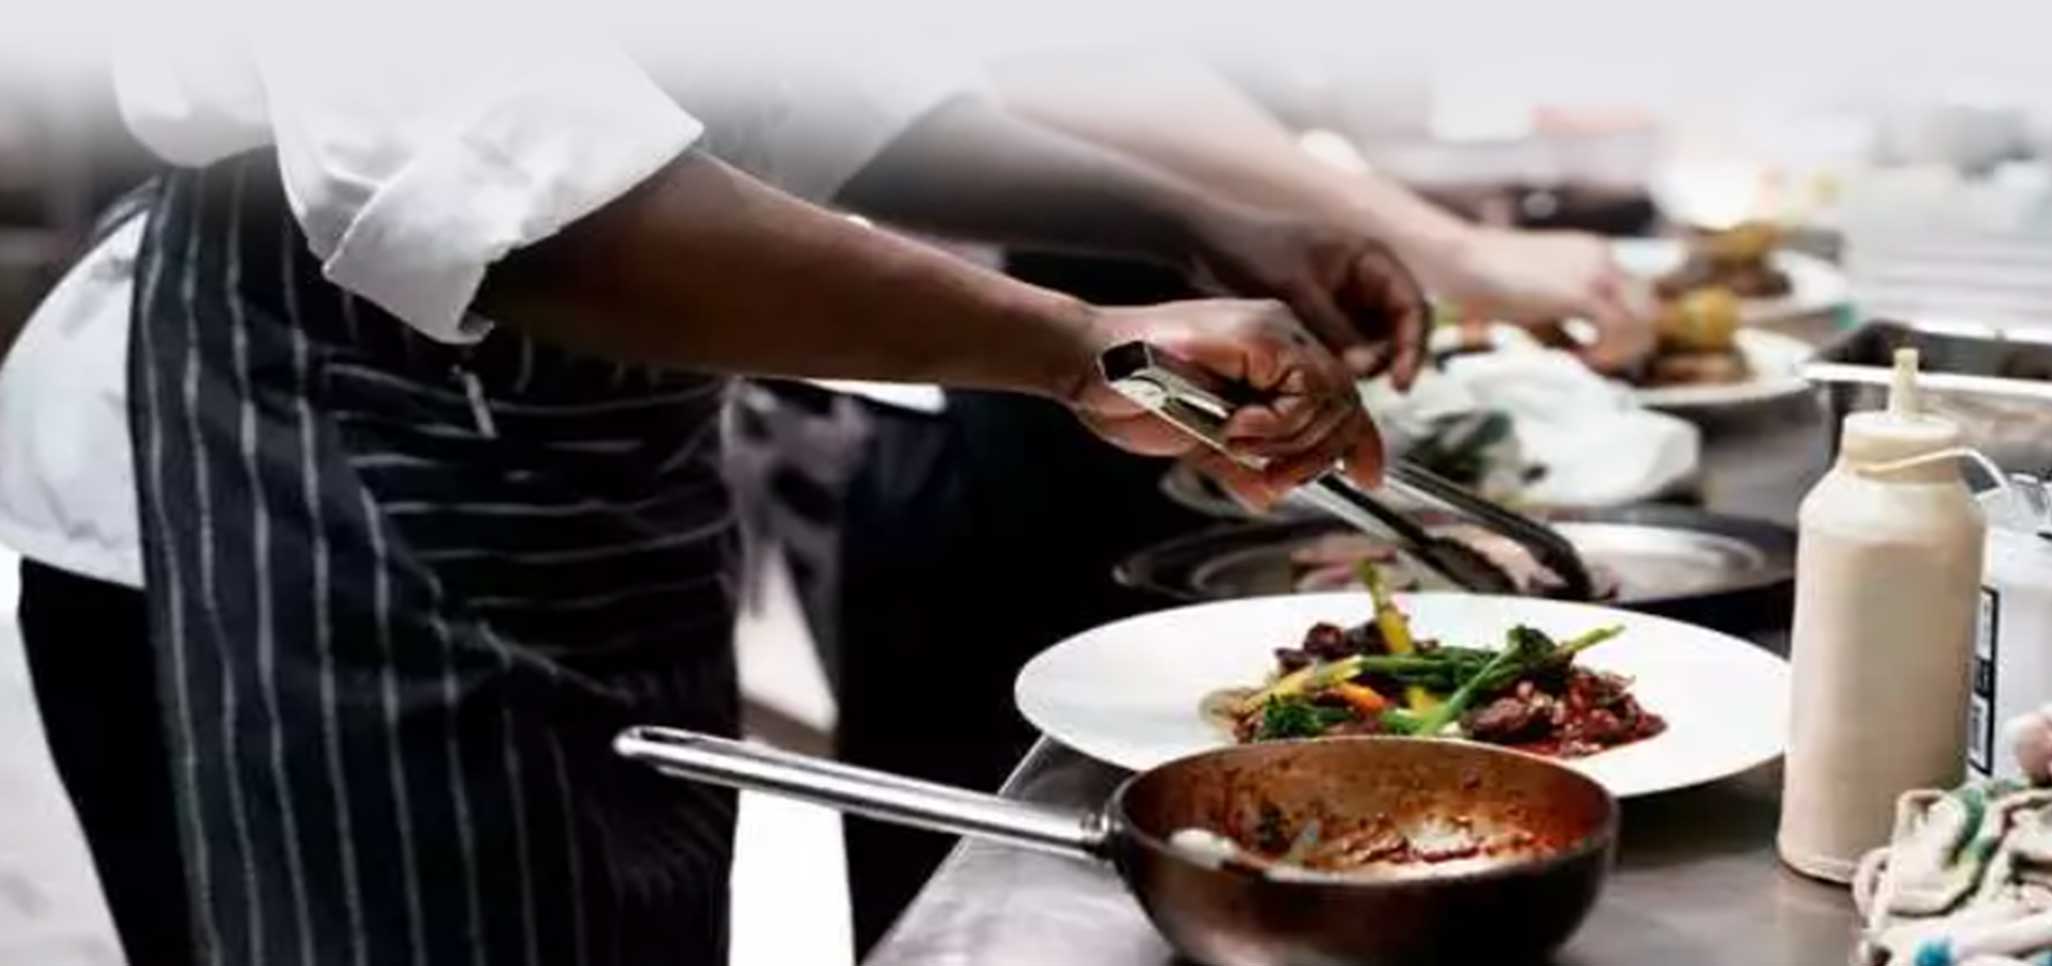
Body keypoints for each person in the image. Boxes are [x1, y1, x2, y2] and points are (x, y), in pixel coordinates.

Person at [0, 4, 1429, 963]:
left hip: (598, 489)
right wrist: (1071, 348)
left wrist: (1196, 218)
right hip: (294, 489)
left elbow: (794, 90)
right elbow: (528, 207)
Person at [805, 50, 1662, 948]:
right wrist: (1437, 245)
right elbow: (1051, 62)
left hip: (1145, 359)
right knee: (991, 900)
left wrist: (1219, 228)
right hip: (975, 399)